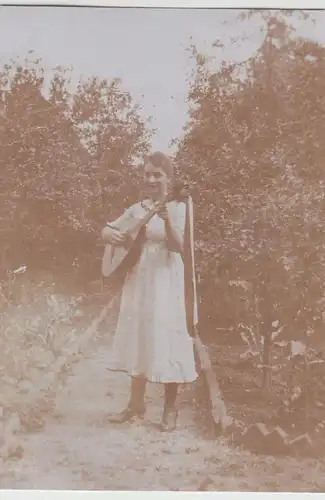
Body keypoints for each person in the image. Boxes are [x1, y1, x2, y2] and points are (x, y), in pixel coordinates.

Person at [101, 151, 197, 431]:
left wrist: (166, 219)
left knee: (167, 337)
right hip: (140, 276)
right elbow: (106, 230)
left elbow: (180, 247)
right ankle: (135, 404)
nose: (151, 179)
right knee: (138, 334)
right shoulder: (138, 207)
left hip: (165, 277)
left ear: (169, 177)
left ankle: (170, 409)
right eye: (147, 174)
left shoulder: (180, 206)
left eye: (158, 174)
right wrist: (113, 235)